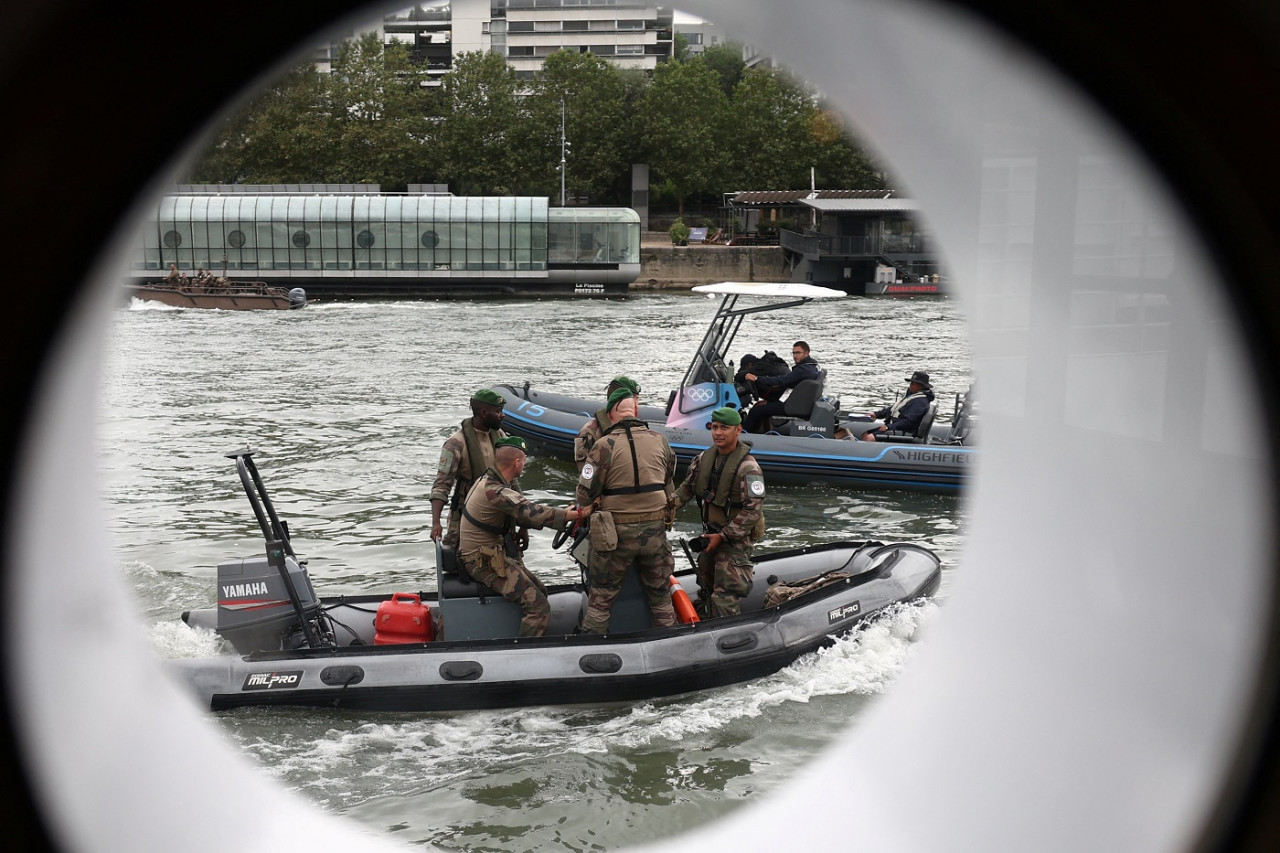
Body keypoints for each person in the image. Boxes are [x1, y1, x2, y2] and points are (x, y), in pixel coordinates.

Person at [457, 437, 592, 637]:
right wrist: (579, 514)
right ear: (517, 462)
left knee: (540, 591)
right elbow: (530, 511)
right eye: (524, 460)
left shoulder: (487, 480)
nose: (525, 464)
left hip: (487, 555)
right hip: (481, 561)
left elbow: (519, 512)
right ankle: (526, 652)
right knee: (538, 607)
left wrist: (563, 514)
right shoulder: (496, 491)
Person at [575, 386, 678, 633]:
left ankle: (592, 649)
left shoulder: (603, 445)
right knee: (660, 594)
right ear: (636, 410)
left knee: (601, 597)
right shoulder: (660, 440)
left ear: (611, 413)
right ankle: (670, 640)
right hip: (654, 531)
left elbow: (583, 494)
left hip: (615, 533)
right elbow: (668, 479)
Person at [667, 406, 766, 618]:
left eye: (725, 428)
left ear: (738, 430)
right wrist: (666, 507)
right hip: (710, 536)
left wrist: (723, 536)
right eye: (715, 427)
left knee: (726, 594)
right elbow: (687, 488)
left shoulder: (748, 468)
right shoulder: (704, 459)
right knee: (706, 587)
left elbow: (753, 511)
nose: (718, 433)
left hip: (733, 541)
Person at [430, 389, 511, 550]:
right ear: (483, 412)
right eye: (498, 411)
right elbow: (441, 486)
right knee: (455, 560)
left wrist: (521, 525)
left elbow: (512, 481)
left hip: (497, 513)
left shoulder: (500, 436)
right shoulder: (455, 444)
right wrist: (436, 523)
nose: (502, 415)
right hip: (464, 514)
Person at [741, 341, 821, 433]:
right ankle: (764, 433)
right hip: (797, 401)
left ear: (806, 353)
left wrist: (757, 379)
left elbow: (781, 381)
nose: (795, 356)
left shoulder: (803, 370)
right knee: (761, 405)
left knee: (755, 412)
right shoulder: (812, 367)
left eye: (798, 353)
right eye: (794, 353)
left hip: (792, 405)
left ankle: (743, 436)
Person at [573, 375, 640, 473]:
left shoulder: (638, 429)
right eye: (635, 399)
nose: (638, 404)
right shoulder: (590, 432)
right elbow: (587, 475)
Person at [858, 370, 936, 440]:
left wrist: (889, 427)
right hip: (895, 427)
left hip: (904, 431)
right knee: (865, 434)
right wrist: (877, 414)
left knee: (869, 437)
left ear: (920, 385)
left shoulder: (920, 402)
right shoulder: (912, 397)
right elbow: (894, 409)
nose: (910, 385)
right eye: (911, 382)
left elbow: (909, 422)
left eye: (913, 383)